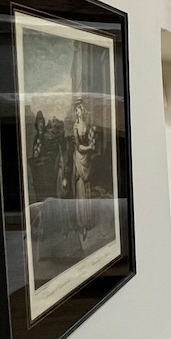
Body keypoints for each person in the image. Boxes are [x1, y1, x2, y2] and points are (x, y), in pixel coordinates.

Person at [72, 98, 97, 236]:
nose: (79, 112)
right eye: (77, 110)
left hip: (87, 160)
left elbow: (90, 140)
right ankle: (81, 222)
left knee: (87, 188)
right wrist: (89, 147)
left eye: (80, 109)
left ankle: (88, 220)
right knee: (80, 189)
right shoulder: (75, 127)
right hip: (79, 159)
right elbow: (78, 147)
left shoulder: (87, 125)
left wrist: (91, 145)